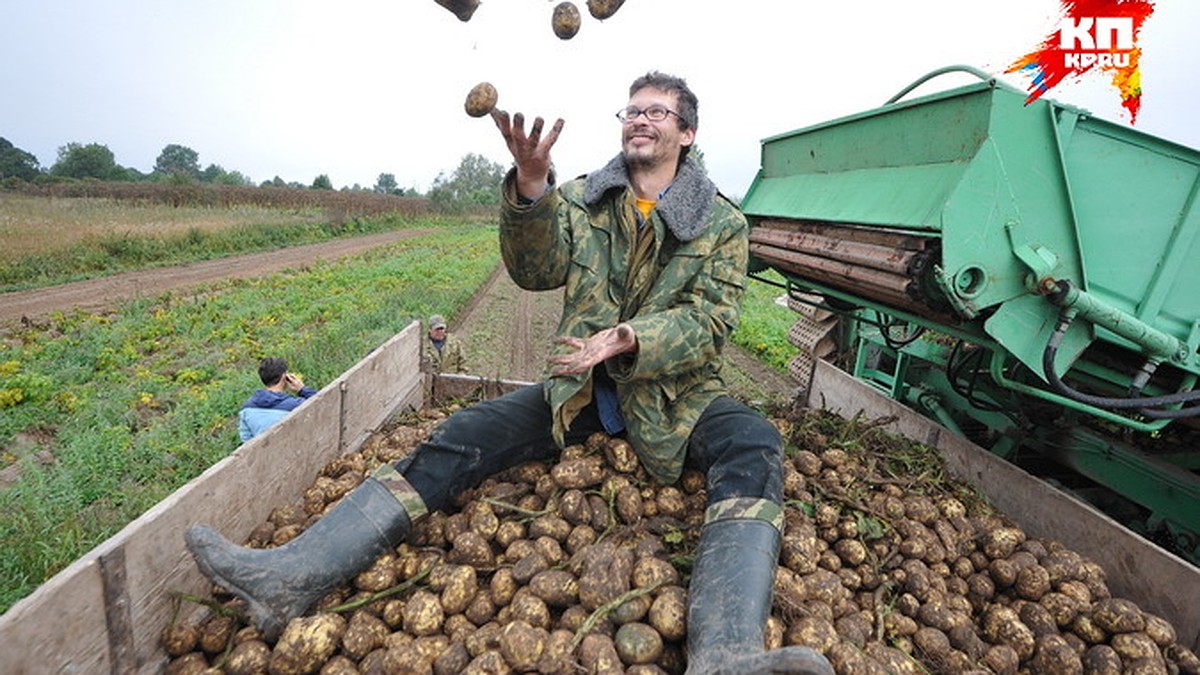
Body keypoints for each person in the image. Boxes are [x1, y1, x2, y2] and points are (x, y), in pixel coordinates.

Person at [186, 72, 833, 674]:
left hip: (672, 398)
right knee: (465, 431)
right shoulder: (584, 197)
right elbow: (533, 270)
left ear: (686, 133)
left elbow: (714, 319)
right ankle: (290, 575)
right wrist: (530, 192)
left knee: (753, 443)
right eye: (631, 110)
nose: (640, 120)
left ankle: (723, 652)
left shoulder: (722, 223)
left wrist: (629, 337)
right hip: (577, 391)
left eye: (656, 111)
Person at [237, 357, 317, 442]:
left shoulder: (246, 409)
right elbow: (323, 402)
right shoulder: (296, 405)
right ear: (284, 377)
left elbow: (246, 439)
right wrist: (302, 389)